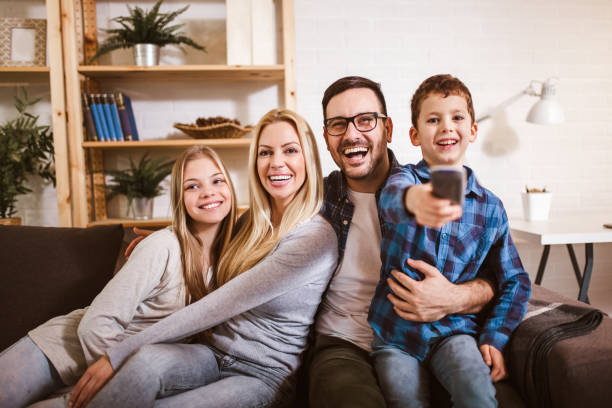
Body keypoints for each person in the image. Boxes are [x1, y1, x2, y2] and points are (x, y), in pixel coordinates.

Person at [67, 108, 338, 408]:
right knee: (145, 363)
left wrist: (115, 355)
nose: (276, 162)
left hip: (261, 375)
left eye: (290, 150)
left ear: (308, 159)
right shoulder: (252, 223)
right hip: (210, 353)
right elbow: (210, 230)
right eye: (265, 152)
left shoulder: (314, 238)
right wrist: (169, 239)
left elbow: (221, 303)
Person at [307, 76, 498, 408]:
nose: (352, 134)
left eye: (365, 120)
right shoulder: (314, 200)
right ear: (326, 137)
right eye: (338, 125)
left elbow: (499, 277)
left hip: (429, 334)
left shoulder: (428, 186)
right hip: (343, 343)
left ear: (389, 129)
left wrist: (456, 296)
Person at [0, 145, 237, 408]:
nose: (208, 192)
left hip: (102, 374)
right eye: (192, 186)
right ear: (179, 198)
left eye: (217, 180)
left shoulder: (231, 259)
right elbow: (96, 324)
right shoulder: (163, 246)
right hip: (57, 352)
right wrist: (116, 382)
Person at [367, 74, 531, 408]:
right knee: (404, 400)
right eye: (433, 119)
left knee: (479, 395)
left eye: (457, 117)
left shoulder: (490, 207)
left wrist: (495, 337)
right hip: (395, 334)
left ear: (472, 130)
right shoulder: (403, 181)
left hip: (455, 332)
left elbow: (514, 280)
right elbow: (392, 198)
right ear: (414, 135)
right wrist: (416, 200)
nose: (446, 127)